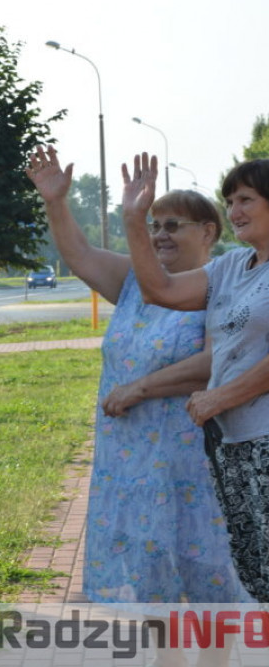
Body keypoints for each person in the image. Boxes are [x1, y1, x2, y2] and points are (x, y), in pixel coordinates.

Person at [28, 146, 249, 664]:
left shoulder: (225, 284)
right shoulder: (133, 281)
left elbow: (213, 364)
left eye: (175, 225)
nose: (161, 235)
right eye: (154, 225)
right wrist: (56, 202)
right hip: (129, 465)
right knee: (148, 576)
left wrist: (140, 387)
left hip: (193, 466)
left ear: (209, 233)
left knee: (207, 576)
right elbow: (79, 255)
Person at [123, 154, 269, 604]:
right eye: (229, 201)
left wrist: (220, 396)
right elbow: (159, 290)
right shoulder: (231, 268)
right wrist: (133, 218)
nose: (234, 210)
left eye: (246, 198)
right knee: (259, 572)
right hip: (232, 445)